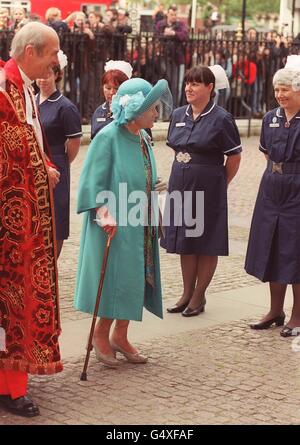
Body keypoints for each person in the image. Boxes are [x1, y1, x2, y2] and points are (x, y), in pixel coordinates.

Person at [74, 78, 172, 367]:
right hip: (114, 225)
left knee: (136, 278)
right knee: (114, 280)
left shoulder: (142, 137)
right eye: (152, 108)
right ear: (136, 110)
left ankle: (122, 334)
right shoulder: (107, 137)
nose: (157, 113)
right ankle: (101, 335)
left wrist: (154, 185)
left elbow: (140, 173)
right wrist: (105, 217)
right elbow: (90, 185)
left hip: (140, 221)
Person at [0, 22, 62, 417]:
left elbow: (33, 143)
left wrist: (47, 165)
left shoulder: (24, 89)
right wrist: (41, 167)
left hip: (27, 220)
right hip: (11, 223)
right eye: (52, 54)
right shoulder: (4, 92)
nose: (56, 61)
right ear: (30, 53)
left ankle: (14, 378)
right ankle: (10, 386)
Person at [161, 65, 242, 316]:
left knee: (206, 242)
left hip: (209, 186)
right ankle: (186, 292)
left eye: (195, 83)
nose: (189, 88)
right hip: (181, 181)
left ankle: (199, 295)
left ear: (210, 88)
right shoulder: (177, 114)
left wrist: (219, 185)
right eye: (187, 83)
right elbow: (177, 149)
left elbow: (234, 157)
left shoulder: (222, 118)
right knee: (186, 239)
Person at [245, 55, 300, 337]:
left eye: (286, 89)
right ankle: (275, 310)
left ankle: (297, 315)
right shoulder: (270, 118)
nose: (280, 94)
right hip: (272, 186)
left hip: (297, 188)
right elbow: (267, 150)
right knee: (271, 246)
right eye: (277, 89)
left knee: (295, 250)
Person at [36, 50, 82, 258]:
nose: (43, 79)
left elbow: (73, 143)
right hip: (35, 163)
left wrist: (60, 163)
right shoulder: (32, 100)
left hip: (56, 163)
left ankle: (51, 261)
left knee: (56, 215)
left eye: (48, 74)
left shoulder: (65, 107)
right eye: (40, 74)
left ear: (57, 75)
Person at [91, 59, 133, 140]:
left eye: (116, 88)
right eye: (108, 88)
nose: (111, 92)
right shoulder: (99, 112)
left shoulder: (135, 112)